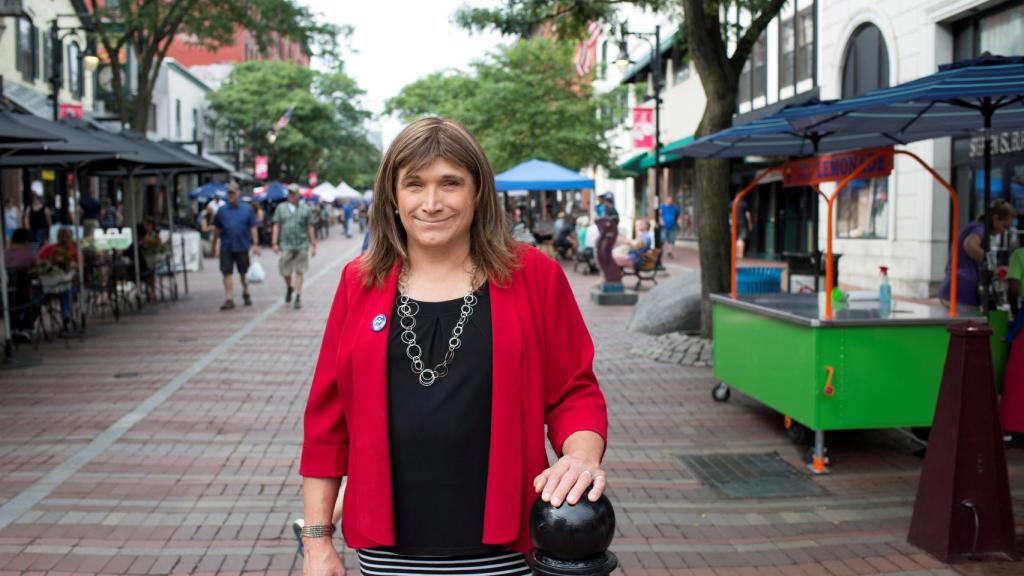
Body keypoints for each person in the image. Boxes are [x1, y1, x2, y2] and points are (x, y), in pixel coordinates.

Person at [299, 117, 608, 576]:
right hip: (389, 553)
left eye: (450, 183)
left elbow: (574, 392)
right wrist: (317, 542)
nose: (431, 202)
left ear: (478, 191)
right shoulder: (359, 282)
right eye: (414, 184)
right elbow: (327, 424)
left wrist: (580, 455)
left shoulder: (533, 276)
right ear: (392, 196)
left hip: (504, 548)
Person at [939, 199, 1017, 310]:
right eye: (1005, 226)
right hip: (962, 292)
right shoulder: (980, 229)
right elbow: (970, 245)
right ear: (995, 218)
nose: (1004, 231)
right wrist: (992, 267)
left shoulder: (975, 227)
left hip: (955, 288)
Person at [213, 184, 260, 310]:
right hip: (226, 246)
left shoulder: (246, 209)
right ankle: (229, 298)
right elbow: (217, 229)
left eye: (233, 193)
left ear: (238, 194)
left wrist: (255, 244)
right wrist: (214, 244)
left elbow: (253, 227)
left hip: (242, 245)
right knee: (226, 272)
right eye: (229, 193)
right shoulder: (222, 210)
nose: (231, 196)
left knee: (243, 273)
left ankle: (246, 292)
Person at [272, 185, 317, 309]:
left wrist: (313, 244)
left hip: (301, 244)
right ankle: (289, 287)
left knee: (299, 271)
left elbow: (310, 227)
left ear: (298, 195)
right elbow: (276, 225)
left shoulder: (305, 208)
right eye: (290, 193)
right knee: (284, 270)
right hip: (285, 244)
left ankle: (298, 295)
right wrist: (274, 243)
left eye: (294, 193)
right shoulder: (281, 208)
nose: (291, 195)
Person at [38, 227, 79, 331]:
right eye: (62, 236)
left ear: (71, 237)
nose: (64, 239)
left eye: (67, 236)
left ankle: (66, 317)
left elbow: (79, 268)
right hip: (49, 283)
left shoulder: (74, 250)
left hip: (69, 281)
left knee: (67, 290)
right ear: (58, 237)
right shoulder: (49, 248)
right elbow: (38, 262)